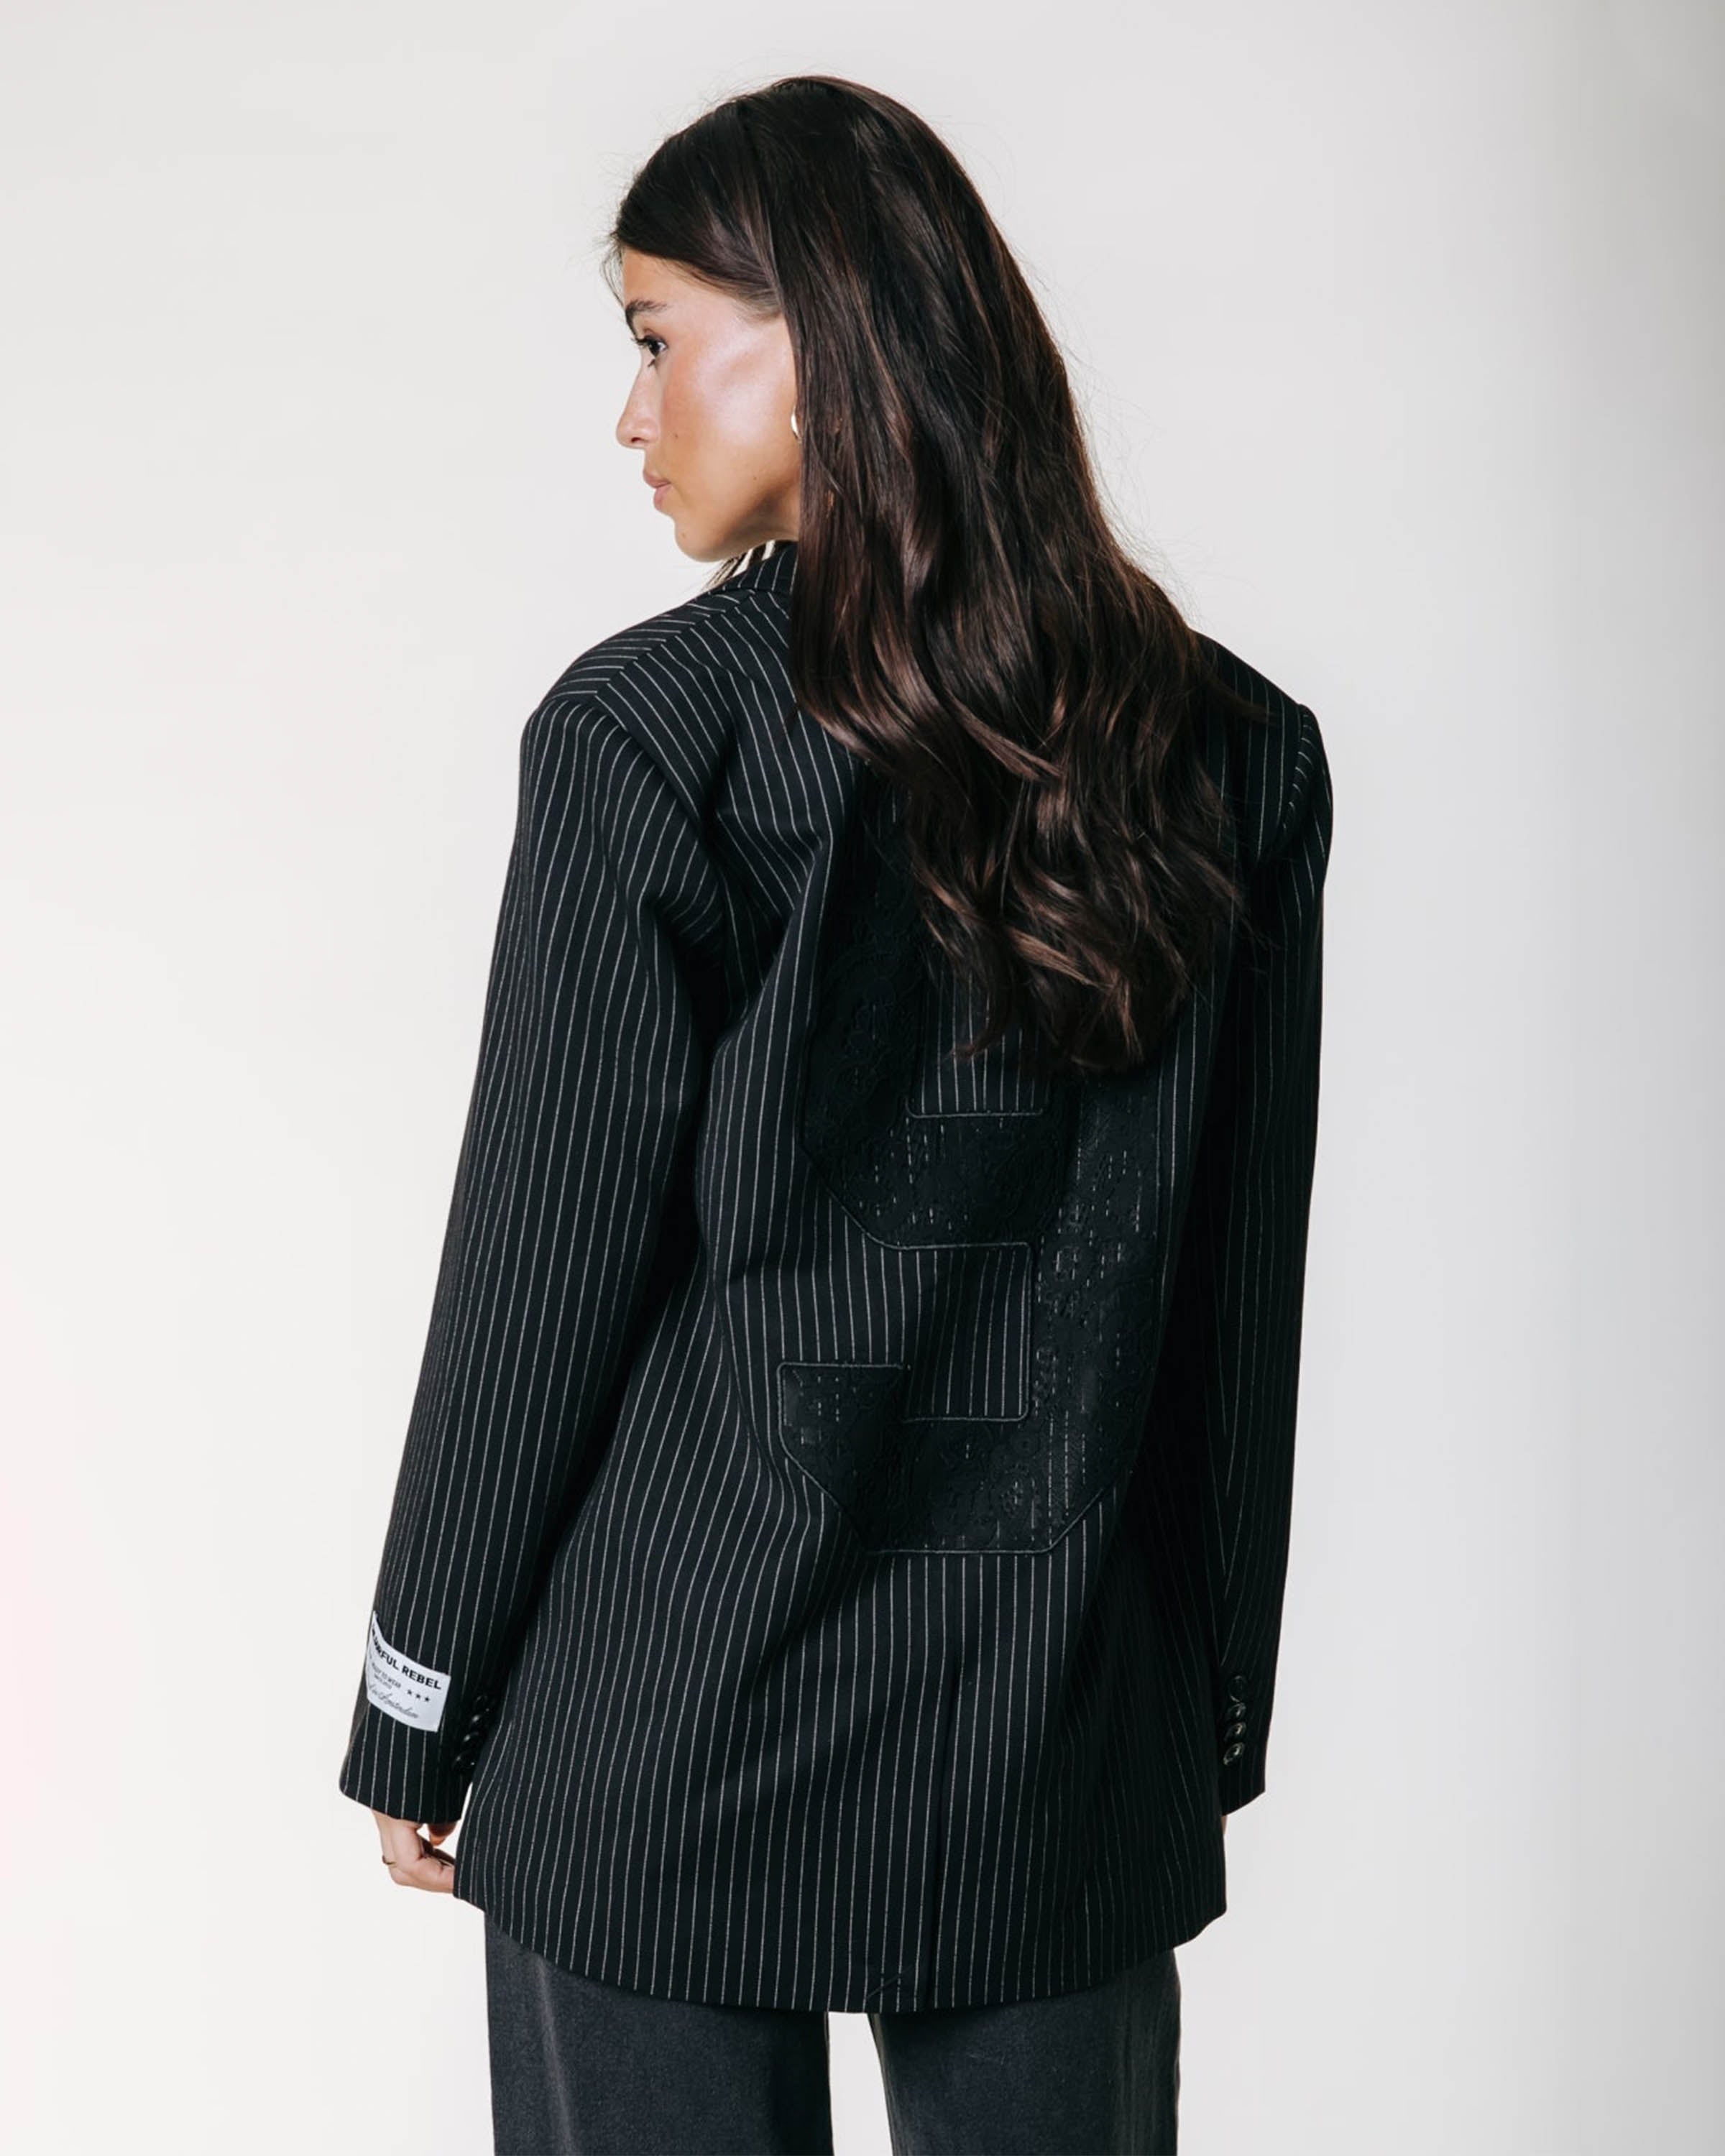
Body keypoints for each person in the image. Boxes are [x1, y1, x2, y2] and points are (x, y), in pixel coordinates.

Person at [337, 73, 1333, 2156]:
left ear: (820, 337)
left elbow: (539, 1274)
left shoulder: (649, 737)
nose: (629, 417)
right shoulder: (1233, 751)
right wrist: (1208, 1705)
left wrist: (418, 1698)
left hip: (664, 1731)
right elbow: (1237, 1301)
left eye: (654, 339)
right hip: (1055, 1734)